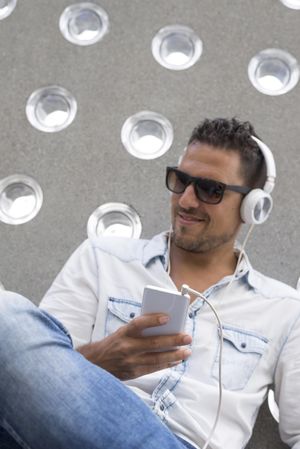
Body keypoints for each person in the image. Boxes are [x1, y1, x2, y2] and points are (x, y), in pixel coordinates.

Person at [1, 118, 299, 449]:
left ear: (253, 207)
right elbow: (33, 374)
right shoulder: (103, 257)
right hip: (79, 429)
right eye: (181, 181)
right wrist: (101, 358)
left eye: (209, 189)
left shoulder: (284, 310)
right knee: (5, 316)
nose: (186, 200)